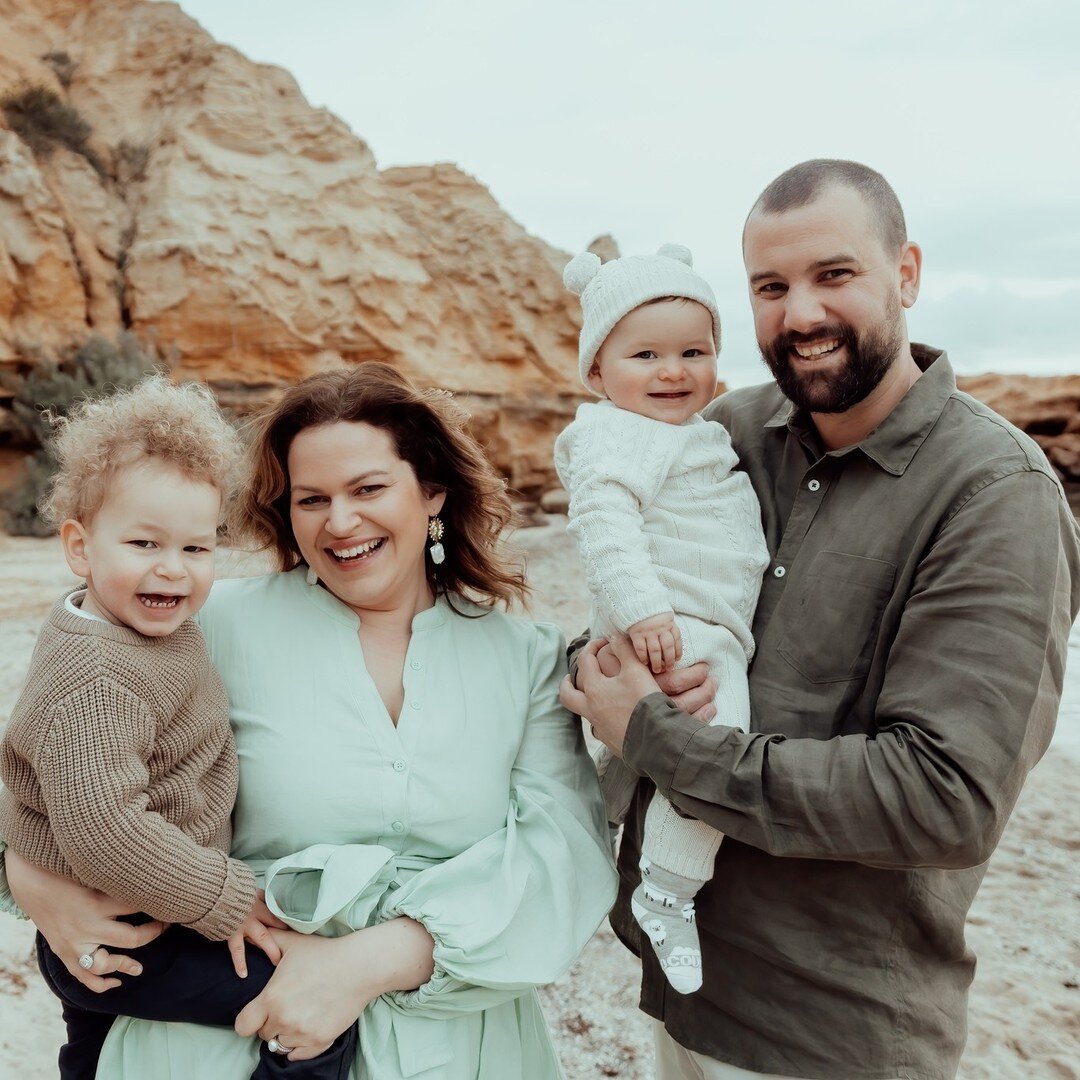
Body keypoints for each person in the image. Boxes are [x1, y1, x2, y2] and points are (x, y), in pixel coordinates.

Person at [562, 160, 1080, 1080]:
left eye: (833, 275)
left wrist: (651, 735)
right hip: (679, 993)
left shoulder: (997, 494)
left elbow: (943, 799)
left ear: (907, 273)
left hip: (828, 1033)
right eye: (771, 286)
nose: (799, 314)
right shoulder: (729, 431)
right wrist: (609, 669)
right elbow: (634, 583)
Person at [2, 362, 618, 1079]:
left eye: (368, 489)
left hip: (459, 1047)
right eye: (312, 498)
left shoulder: (529, 657)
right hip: (216, 1044)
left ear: (433, 492)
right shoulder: (208, 622)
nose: (341, 521)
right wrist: (27, 875)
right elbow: (51, 746)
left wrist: (373, 960)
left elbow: (564, 854)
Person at [0, 376, 346, 1080]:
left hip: (141, 912)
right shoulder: (96, 678)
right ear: (78, 547)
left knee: (91, 1053)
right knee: (307, 1003)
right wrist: (226, 897)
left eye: (197, 548)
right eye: (144, 543)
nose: (173, 570)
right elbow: (103, 828)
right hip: (131, 933)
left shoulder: (140, 626)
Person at [554, 244, 768, 995]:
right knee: (717, 747)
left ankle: (611, 805)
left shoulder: (687, 432)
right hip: (677, 623)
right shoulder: (618, 432)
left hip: (699, 621)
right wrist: (643, 610)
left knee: (657, 747)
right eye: (645, 354)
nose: (673, 370)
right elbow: (602, 517)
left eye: (694, 351)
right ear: (597, 374)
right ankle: (669, 889)